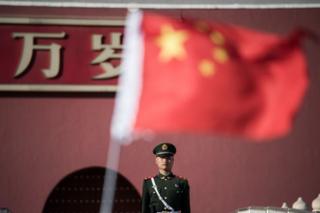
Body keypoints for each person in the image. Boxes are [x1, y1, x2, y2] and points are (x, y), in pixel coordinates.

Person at [142, 142, 190, 213]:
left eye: (168, 158)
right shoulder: (148, 182)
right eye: (162, 158)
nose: (165, 161)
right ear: (156, 160)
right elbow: (144, 209)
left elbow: (186, 209)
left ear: (173, 160)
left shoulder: (181, 182)